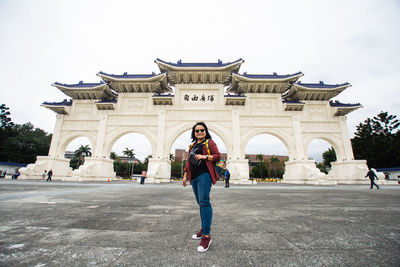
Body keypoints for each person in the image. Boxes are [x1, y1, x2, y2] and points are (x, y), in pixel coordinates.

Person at [182, 122, 221, 253]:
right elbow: (188, 162)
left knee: (204, 202)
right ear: (194, 133)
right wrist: (185, 175)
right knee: (200, 203)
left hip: (205, 175)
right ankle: (203, 228)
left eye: (202, 130)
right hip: (194, 177)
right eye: (197, 130)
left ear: (206, 131)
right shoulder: (192, 145)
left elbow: (218, 156)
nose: (199, 132)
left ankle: (206, 236)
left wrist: (205, 156)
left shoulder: (209, 143)